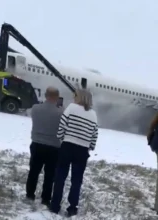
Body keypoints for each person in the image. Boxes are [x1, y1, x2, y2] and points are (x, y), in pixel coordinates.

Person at [49, 89, 98, 217]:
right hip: (82, 151)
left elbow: (62, 126)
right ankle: (72, 208)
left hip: (67, 147)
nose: (73, 97)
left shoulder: (71, 108)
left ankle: (55, 205)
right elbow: (94, 134)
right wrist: (90, 146)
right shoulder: (93, 114)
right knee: (77, 181)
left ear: (80, 97)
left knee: (60, 177)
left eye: (75, 95)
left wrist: (62, 138)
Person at [25, 87, 63, 205]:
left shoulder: (35, 109)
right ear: (57, 97)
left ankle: (30, 194)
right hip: (54, 147)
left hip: (37, 144)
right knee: (50, 174)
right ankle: (46, 198)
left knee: (34, 171)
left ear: (46, 96)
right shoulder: (61, 112)